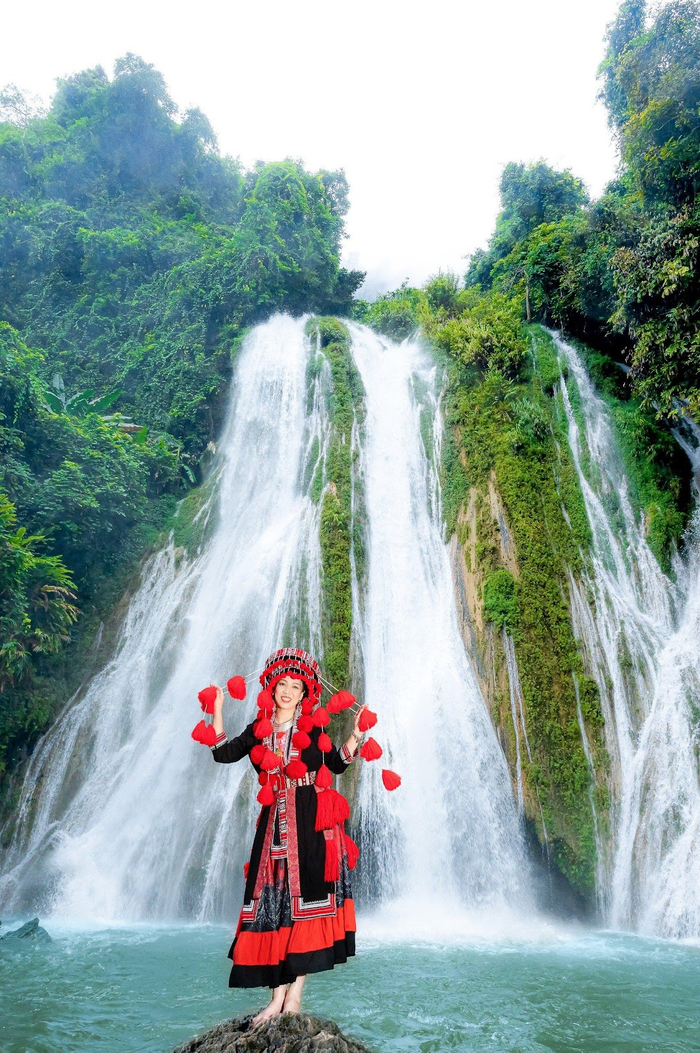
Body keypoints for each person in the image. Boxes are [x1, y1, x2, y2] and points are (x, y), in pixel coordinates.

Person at [209, 647, 366, 1024]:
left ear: (304, 694)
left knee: (304, 911)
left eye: (296, 687)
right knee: (273, 909)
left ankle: (295, 995)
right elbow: (222, 753)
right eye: (283, 684)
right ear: (273, 687)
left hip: (311, 826)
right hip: (273, 827)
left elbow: (335, 764)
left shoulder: (313, 728)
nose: (288, 692)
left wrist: (357, 734)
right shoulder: (258, 729)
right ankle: (275, 999)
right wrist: (216, 707)